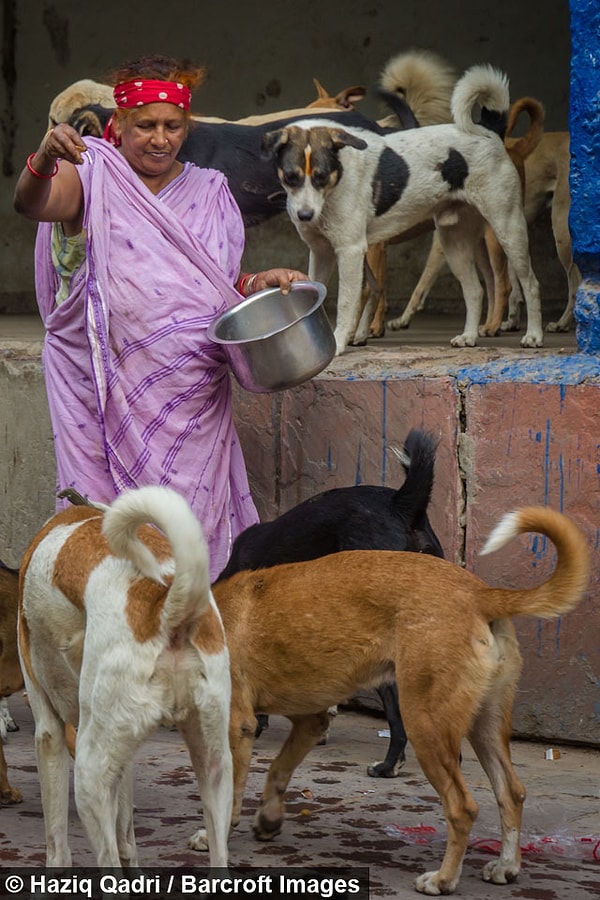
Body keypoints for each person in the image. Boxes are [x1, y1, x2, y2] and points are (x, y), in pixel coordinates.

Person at [13, 54, 308, 580]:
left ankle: (192, 634)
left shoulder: (211, 192)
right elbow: (32, 204)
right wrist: (42, 158)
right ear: (119, 125)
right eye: (145, 125)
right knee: (106, 530)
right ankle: (117, 635)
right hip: (100, 388)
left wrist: (256, 284)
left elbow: (215, 285)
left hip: (192, 387)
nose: (160, 138)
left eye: (173, 126)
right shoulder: (94, 175)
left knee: (190, 528)